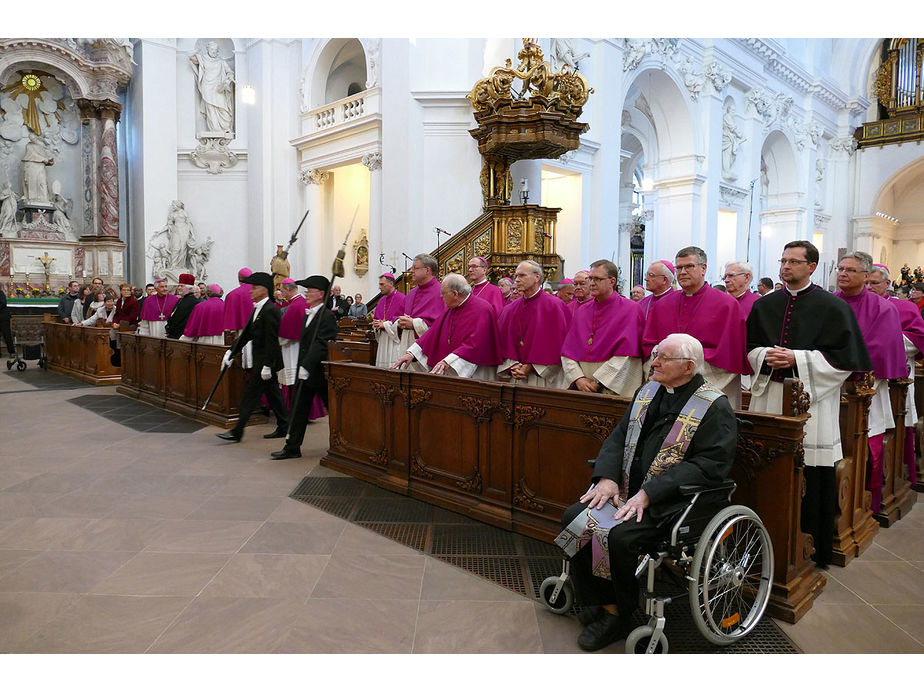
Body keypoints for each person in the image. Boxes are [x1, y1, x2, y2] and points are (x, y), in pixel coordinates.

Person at [556, 333, 737, 651]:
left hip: (671, 501)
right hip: (625, 488)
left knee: (619, 538)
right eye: (656, 354)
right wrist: (608, 477)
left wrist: (651, 492)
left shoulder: (714, 406)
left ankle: (618, 615)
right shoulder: (648, 390)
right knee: (575, 518)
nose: (654, 362)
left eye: (664, 358)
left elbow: (710, 465)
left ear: (688, 366)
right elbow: (619, 435)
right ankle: (598, 601)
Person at [747, 240, 872, 566]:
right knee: (765, 467)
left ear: (811, 267)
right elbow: (752, 347)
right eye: (783, 260)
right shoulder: (764, 305)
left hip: (812, 403)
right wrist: (764, 355)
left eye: (793, 261)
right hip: (770, 397)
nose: (786, 266)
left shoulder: (833, 307)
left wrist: (797, 358)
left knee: (811, 473)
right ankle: (761, 537)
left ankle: (811, 544)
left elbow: (845, 361)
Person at [834, 251, 907, 515]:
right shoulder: (830, 302)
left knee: (867, 447)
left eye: (851, 270)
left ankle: (865, 504)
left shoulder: (883, 308)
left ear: (866, 276)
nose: (843, 273)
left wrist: (835, 361)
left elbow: (879, 349)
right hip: (828, 386)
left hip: (866, 390)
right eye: (841, 268)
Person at [642, 246, 749, 407]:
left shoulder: (727, 305)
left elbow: (730, 353)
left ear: (703, 268)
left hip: (710, 387)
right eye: (679, 267)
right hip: (667, 387)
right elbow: (649, 344)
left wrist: (685, 367)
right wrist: (669, 362)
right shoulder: (662, 305)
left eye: (689, 266)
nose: (683, 272)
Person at [271, 275, 339, 460]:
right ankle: (292, 447)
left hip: (319, 373)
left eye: (310, 290)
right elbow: (305, 344)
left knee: (334, 409)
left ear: (321, 294)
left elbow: (322, 344)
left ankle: (345, 443)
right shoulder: (308, 315)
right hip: (306, 372)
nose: (306, 293)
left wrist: (306, 366)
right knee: (298, 408)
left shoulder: (327, 316)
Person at [867, 264, 924, 485]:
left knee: (898, 425)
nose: (869, 287)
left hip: (898, 379)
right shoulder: (856, 305)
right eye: (867, 283)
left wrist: (886, 340)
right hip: (865, 379)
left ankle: (897, 477)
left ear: (888, 284)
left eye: (874, 283)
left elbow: (918, 340)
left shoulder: (905, 307)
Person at [217, 272, 288, 443]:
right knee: (273, 395)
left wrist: (267, 365)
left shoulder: (270, 310)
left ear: (264, 290)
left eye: (254, 288)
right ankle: (285, 426)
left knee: (250, 395)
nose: (250, 291)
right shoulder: (259, 308)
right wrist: (231, 352)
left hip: (265, 361)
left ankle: (237, 431)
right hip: (261, 360)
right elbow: (246, 334)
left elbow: (272, 340)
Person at [561, 259, 644, 397]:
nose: (592, 283)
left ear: (612, 281)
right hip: (580, 387)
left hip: (613, 386)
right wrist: (578, 379)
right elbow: (568, 351)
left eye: (598, 279)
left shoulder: (631, 309)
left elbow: (628, 355)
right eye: (591, 279)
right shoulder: (582, 311)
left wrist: (599, 382)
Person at [393, 273, 500, 379]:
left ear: (455, 294)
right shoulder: (452, 308)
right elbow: (433, 333)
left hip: (476, 372)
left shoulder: (483, 309)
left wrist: (448, 361)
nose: (441, 296)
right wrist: (411, 353)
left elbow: (475, 344)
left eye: (443, 293)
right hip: (450, 369)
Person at [497, 260, 571, 388]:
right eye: (516, 276)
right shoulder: (511, 308)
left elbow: (560, 343)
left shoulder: (555, 306)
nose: (517, 280)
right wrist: (512, 366)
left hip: (545, 378)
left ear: (537, 277)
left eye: (522, 275)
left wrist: (531, 366)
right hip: (517, 376)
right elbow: (503, 342)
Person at [396, 254, 443, 356]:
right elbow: (399, 315)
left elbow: (442, 326)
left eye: (415, 268)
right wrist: (400, 323)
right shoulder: (411, 292)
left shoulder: (442, 292)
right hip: (407, 344)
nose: (411, 271)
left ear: (427, 270)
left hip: (426, 351)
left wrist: (414, 324)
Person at [189, 40, 235, 134]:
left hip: (219, 88)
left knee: (223, 108)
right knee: (210, 108)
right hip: (207, 86)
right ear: (208, 49)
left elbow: (229, 72)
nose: (213, 51)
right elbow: (191, 56)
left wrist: (228, 78)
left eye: (215, 49)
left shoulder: (221, 61)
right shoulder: (203, 58)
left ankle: (225, 127)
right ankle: (215, 130)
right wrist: (197, 50)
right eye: (212, 49)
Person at [276, 278, 307, 405]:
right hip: (302, 347)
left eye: (282, 290)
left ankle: (291, 408)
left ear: (288, 289)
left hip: (293, 349)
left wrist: (275, 341)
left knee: (293, 376)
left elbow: (285, 335)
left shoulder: (294, 306)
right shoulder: (303, 302)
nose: (282, 294)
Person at [372, 273, 407, 369]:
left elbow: (404, 321)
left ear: (391, 283)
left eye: (382, 284)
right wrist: (376, 324)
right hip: (383, 341)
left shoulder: (402, 298)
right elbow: (376, 319)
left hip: (395, 342)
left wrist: (386, 325)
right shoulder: (381, 300)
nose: (379, 287)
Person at [224, 268, 256, 367]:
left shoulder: (232, 294)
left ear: (239, 278)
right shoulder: (260, 292)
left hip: (242, 333)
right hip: (259, 332)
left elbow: (229, 321)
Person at [165, 274, 199, 339]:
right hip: (174, 335)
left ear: (190, 288)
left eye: (182, 286)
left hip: (182, 337)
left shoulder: (194, 302)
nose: (179, 288)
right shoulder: (182, 299)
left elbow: (187, 321)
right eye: (178, 286)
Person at [0, 288, 14, 360]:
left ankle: (12, 352)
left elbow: (3, 303)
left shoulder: (1, 293)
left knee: (7, 336)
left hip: (3, 318)